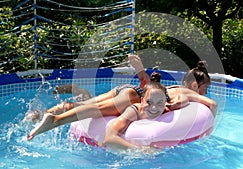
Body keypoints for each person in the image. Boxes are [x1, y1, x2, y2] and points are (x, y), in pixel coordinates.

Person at [27, 54, 217, 140]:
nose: (206, 93)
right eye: (205, 88)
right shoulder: (188, 92)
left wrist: (142, 72)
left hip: (128, 90)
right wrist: (209, 126)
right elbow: (212, 105)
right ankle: (56, 120)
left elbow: (148, 87)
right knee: (98, 110)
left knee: (90, 104)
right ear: (194, 85)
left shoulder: (169, 86)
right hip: (132, 96)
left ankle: (42, 113)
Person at [103, 73, 167, 150]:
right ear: (142, 100)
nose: (154, 107)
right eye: (149, 102)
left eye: (160, 103)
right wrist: (141, 150)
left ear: (165, 102)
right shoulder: (134, 111)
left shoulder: (167, 110)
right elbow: (109, 138)